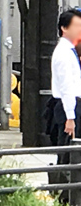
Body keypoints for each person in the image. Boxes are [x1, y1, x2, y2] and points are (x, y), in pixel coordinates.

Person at [50, 10, 81, 155]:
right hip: (68, 105)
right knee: (69, 151)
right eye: (77, 25)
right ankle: (64, 177)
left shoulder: (69, 50)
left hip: (71, 105)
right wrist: (70, 117)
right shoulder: (63, 52)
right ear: (64, 28)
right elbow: (66, 86)